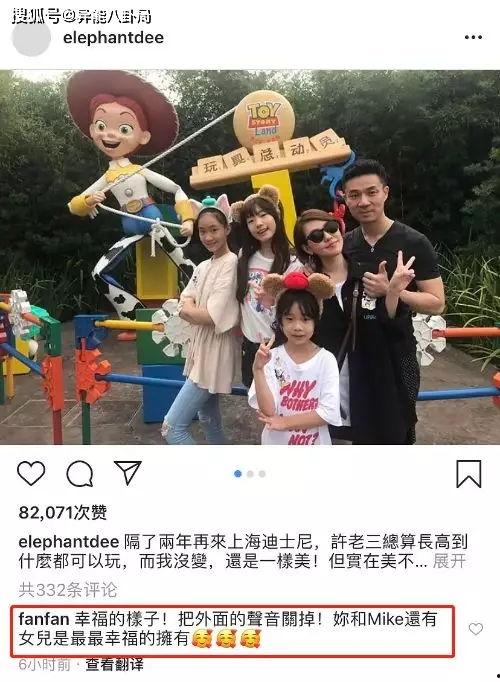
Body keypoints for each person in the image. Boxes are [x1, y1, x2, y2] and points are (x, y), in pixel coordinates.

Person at [66, 70, 195, 334]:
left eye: (124, 128)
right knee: (99, 273)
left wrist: (188, 218)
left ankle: (198, 305)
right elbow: (73, 205)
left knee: (187, 268)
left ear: (143, 136)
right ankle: (135, 316)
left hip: (153, 224)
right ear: (92, 130)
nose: (110, 134)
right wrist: (89, 200)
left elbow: (176, 188)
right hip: (130, 228)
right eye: (102, 126)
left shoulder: (140, 170)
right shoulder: (107, 177)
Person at [294, 209, 420, 445]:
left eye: (331, 228)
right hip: (327, 390)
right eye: (317, 236)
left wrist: (393, 291)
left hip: (375, 385)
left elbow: (393, 327)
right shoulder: (307, 288)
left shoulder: (370, 274)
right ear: (307, 248)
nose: (328, 237)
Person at [161, 195, 239, 445]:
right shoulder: (203, 266)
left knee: (172, 428)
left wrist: (189, 310)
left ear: (227, 229)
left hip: (215, 352)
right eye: (202, 231)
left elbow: (210, 316)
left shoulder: (232, 263)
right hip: (199, 349)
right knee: (208, 419)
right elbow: (184, 299)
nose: (208, 237)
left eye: (214, 229)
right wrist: (189, 309)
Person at [248, 271, 342, 446]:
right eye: (290, 319)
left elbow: (328, 412)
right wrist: (258, 369)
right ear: (280, 321)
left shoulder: (326, 360)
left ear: (315, 321)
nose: (297, 327)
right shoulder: (271, 358)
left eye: (305, 319)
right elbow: (268, 411)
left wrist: (285, 422)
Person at [341, 158, 445, 315]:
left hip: (397, 330)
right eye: (354, 195)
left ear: (385, 192)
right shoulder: (344, 244)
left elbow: (437, 304)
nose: (364, 202)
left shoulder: (415, 242)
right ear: (346, 199)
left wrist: (391, 290)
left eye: (372, 192)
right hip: (353, 331)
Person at [233, 185, 302, 388]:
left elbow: (298, 310)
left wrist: (272, 301)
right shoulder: (244, 256)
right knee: (254, 399)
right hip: (250, 346)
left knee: (283, 399)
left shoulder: (293, 262)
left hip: (280, 346)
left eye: (263, 215)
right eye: (250, 220)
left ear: (276, 215)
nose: (258, 224)